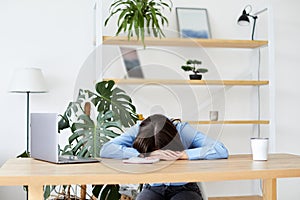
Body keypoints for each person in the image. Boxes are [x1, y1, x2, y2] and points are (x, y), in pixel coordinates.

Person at [100, 114, 229, 200]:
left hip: (184, 187)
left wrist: (184, 154)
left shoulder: (182, 130)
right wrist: (145, 154)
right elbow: (107, 149)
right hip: (153, 187)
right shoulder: (140, 130)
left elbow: (220, 149)